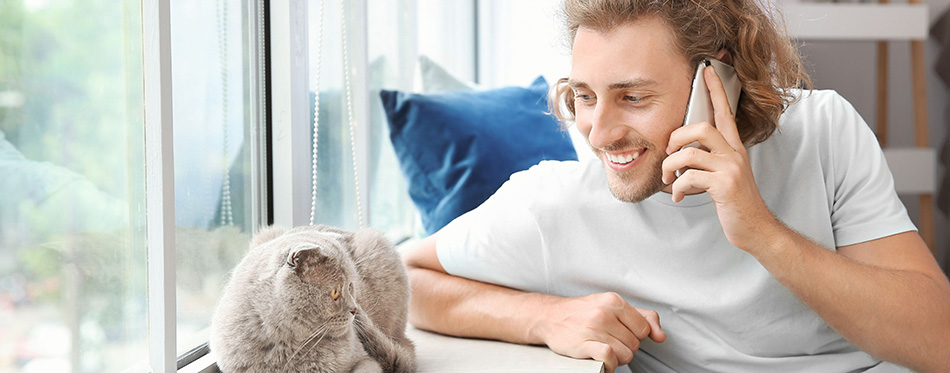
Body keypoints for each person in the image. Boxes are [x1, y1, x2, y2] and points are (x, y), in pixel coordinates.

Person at [401, 0, 950, 372]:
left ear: (720, 80)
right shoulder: (554, 204)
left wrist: (760, 231)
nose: (600, 132)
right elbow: (404, 280)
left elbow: (939, 340)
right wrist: (542, 318)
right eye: (586, 96)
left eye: (633, 97)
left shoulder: (823, 130)